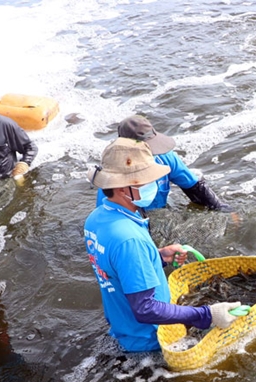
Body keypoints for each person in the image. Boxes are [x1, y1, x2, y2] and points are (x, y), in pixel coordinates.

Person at [84, 137, 241, 352]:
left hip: (123, 329)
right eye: (146, 181)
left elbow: (117, 269)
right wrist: (207, 315)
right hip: (149, 341)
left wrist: (157, 257)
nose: (154, 185)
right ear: (122, 189)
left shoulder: (96, 218)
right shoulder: (130, 239)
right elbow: (145, 309)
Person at [95, 115, 230, 211]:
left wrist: (224, 211)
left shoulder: (165, 157)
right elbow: (109, 215)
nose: (151, 152)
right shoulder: (112, 177)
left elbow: (196, 188)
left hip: (159, 211)